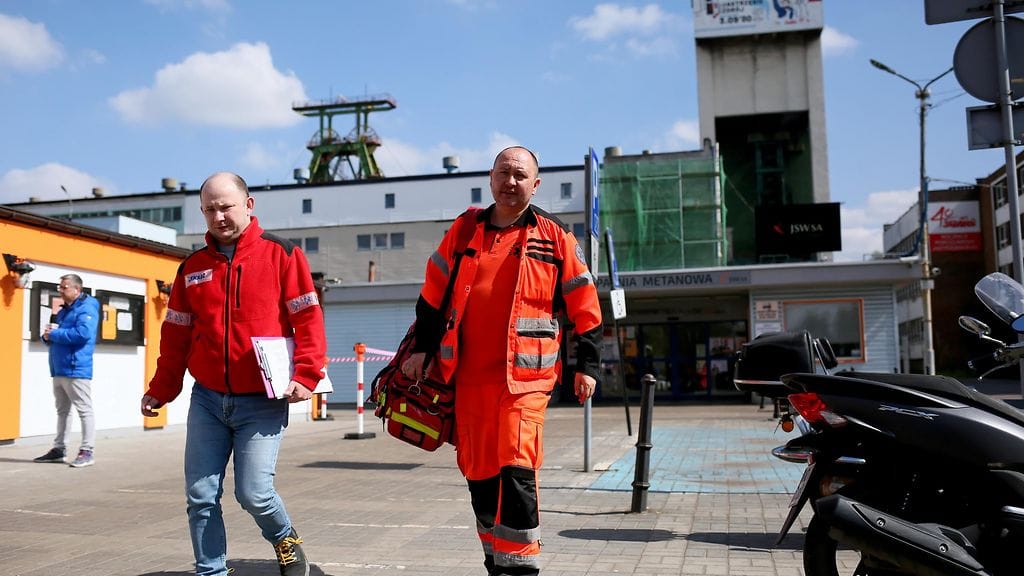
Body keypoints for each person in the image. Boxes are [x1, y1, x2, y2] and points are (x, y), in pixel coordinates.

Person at [403, 146, 602, 575]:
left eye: (520, 175)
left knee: (516, 466)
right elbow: (432, 293)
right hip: (468, 378)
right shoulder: (463, 230)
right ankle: (495, 558)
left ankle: (521, 566)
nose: (510, 182)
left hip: (526, 381)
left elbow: (585, 303)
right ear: (491, 178)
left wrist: (589, 365)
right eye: (503, 173)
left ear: (536, 183)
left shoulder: (556, 236)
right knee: (478, 471)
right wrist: (421, 348)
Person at [140, 172, 326, 576]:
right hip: (207, 398)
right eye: (209, 209)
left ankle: (285, 540)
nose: (218, 216)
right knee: (201, 494)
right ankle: (211, 570)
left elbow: (308, 319)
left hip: (262, 400)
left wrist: (307, 374)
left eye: (226, 206)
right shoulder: (192, 267)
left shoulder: (283, 254)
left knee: (254, 494)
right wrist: (162, 388)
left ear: (248, 204)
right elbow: (176, 333)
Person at [33, 273, 100, 468]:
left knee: (84, 410)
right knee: (62, 411)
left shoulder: (87, 308)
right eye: (59, 287)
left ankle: (87, 450)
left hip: (76, 367)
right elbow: (56, 334)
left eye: (64, 287)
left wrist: (55, 334)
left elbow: (83, 334)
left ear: (77, 289)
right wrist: (47, 336)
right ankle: (59, 449)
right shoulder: (64, 311)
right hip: (58, 368)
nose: (60, 291)